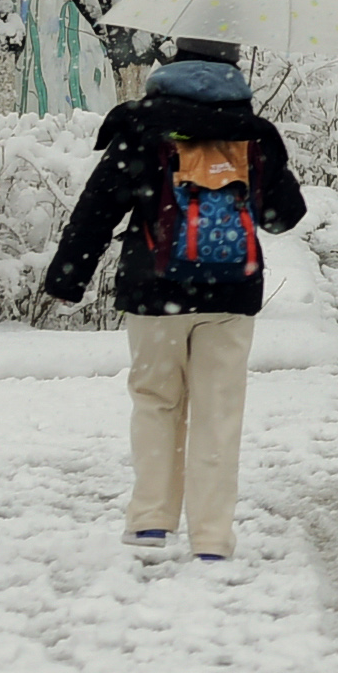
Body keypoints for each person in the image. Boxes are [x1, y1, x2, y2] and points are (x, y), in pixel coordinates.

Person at [43, 44, 308, 561]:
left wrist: (68, 277)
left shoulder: (142, 127)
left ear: (170, 69)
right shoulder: (255, 134)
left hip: (155, 288)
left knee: (157, 402)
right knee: (218, 411)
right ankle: (211, 538)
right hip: (232, 290)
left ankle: (150, 522)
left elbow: (97, 208)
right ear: (233, 70)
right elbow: (284, 216)